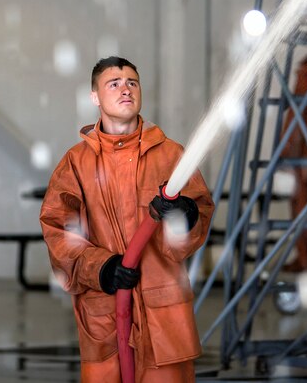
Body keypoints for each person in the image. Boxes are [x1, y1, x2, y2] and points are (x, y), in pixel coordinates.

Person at [40, 56, 214, 382]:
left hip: (163, 317)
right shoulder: (76, 164)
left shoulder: (171, 155)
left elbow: (198, 216)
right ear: (95, 97)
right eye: (114, 84)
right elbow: (58, 231)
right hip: (104, 317)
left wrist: (187, 218)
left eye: (132, 83)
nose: (126, 90)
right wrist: (103, 268)